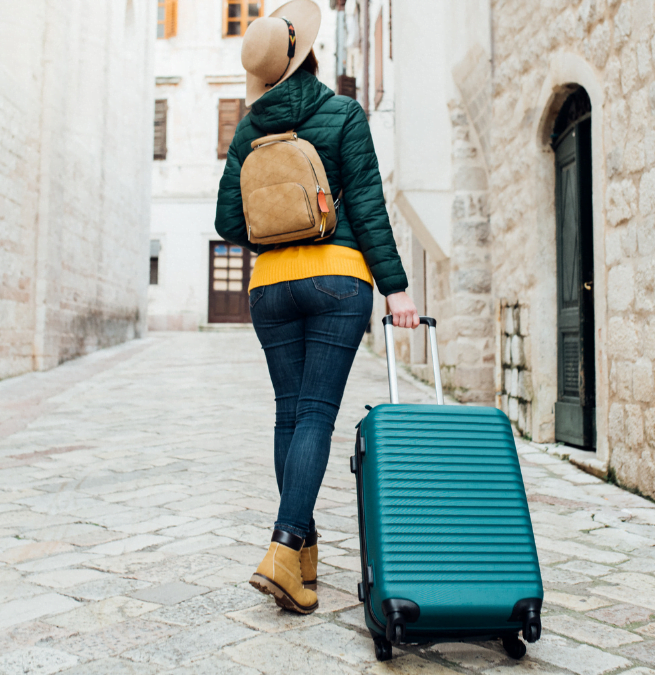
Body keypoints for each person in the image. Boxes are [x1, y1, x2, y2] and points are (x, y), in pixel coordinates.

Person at [214, 0, 418, 615]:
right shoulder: (343, 114)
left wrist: (277, 226)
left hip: (270, 287)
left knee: (288, 415)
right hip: (337, 280)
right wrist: (397, 289)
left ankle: (301, 558)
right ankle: (283, 546)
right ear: (308, 58)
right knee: (316, 417)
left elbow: (228, 221)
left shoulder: (249, 132)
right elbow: (368, 208)